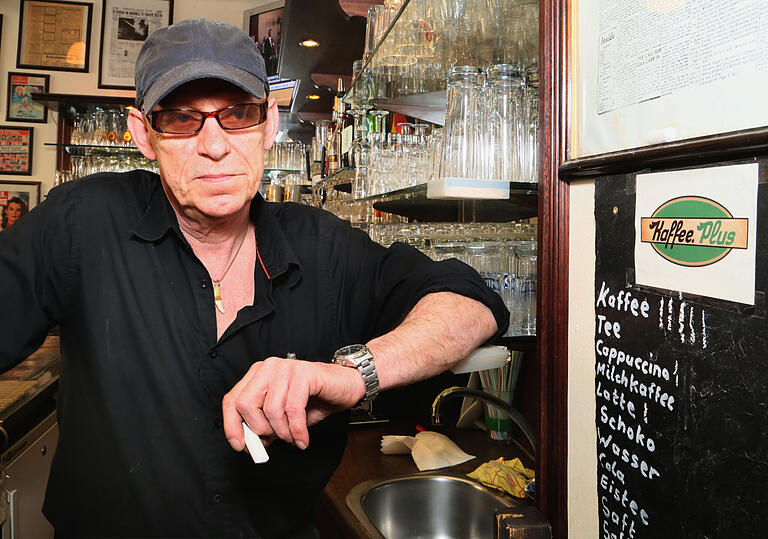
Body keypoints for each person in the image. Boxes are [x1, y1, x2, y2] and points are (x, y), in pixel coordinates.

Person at [0, 17, 508, 539]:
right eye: (180, 119)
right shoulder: (82, 222)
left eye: (237, 114)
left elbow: (472, 304)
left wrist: (355, 375)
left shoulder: (322, 247)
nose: (214, 146)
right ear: (143, 135)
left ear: (268, 125)